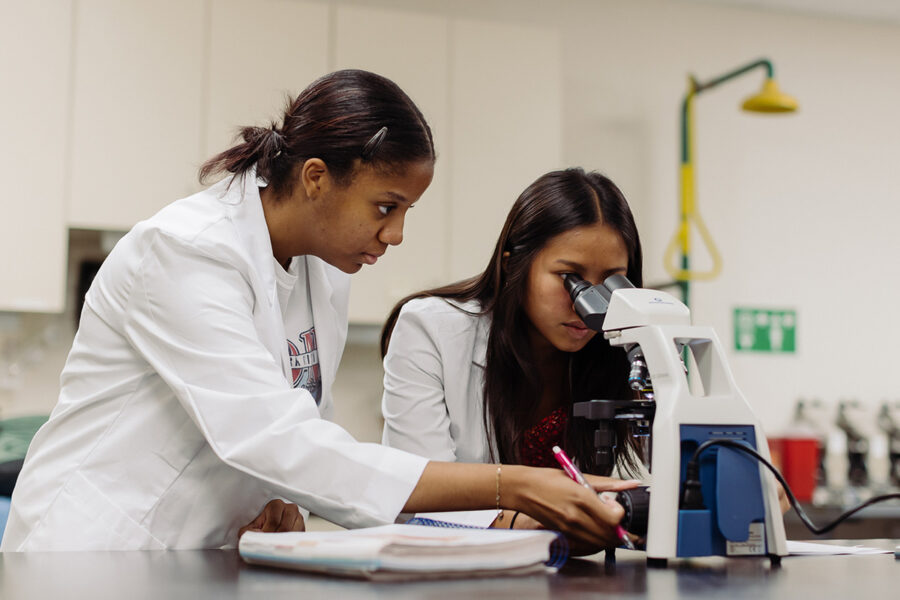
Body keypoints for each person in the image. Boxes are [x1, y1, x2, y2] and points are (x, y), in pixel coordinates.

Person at [1, 70, 634, 553]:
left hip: (206, 552)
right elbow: (276, 437)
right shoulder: (186, 252)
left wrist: (280, 500)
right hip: (89, 551)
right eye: (386, 206)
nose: (396, 235)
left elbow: (301, 422)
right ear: (314, 178)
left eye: (408, 211)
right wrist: (512, 485)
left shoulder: (322, 270)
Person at [381, 168, 646, 529]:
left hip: (564, 576)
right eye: (571, 278)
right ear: (513, 265)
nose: (590, 304)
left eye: (610, 281)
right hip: (452, 569)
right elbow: (418, 496)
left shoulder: (618, 354)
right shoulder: (430, 328)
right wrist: (548, 526)